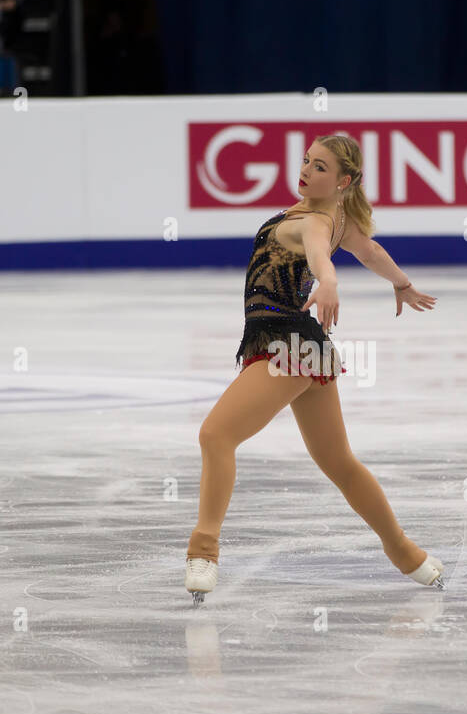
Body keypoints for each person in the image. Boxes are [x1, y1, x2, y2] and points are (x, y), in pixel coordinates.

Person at [184, 134, 445, 604]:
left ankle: (204, 549)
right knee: (339, 463)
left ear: (343, 180)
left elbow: (322, 254)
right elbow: (371, 252)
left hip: (285, 346)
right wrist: (402, 284)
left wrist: (328, 281)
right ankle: (408, 554)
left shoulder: (316, 222)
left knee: (215, 436)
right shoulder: (339, 217)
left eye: (320, 167)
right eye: (307, 161)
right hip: (305, 350)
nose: (306, 170)